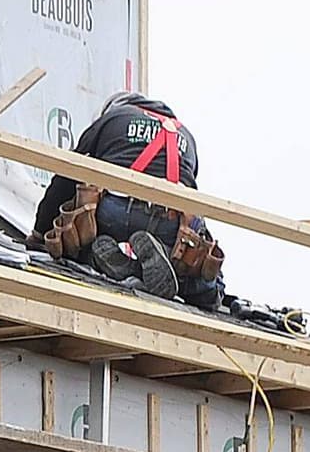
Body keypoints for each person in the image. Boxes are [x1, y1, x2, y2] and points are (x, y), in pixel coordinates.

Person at [34, 92, 227, 310]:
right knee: (190, 271)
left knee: (77, 237)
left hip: (113, 212)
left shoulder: (114, 118)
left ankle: (98, 260)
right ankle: (174, 271)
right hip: (171, 226)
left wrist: (40, 233)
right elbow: (192, 204)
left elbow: (67, 174)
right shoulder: (187, 137)